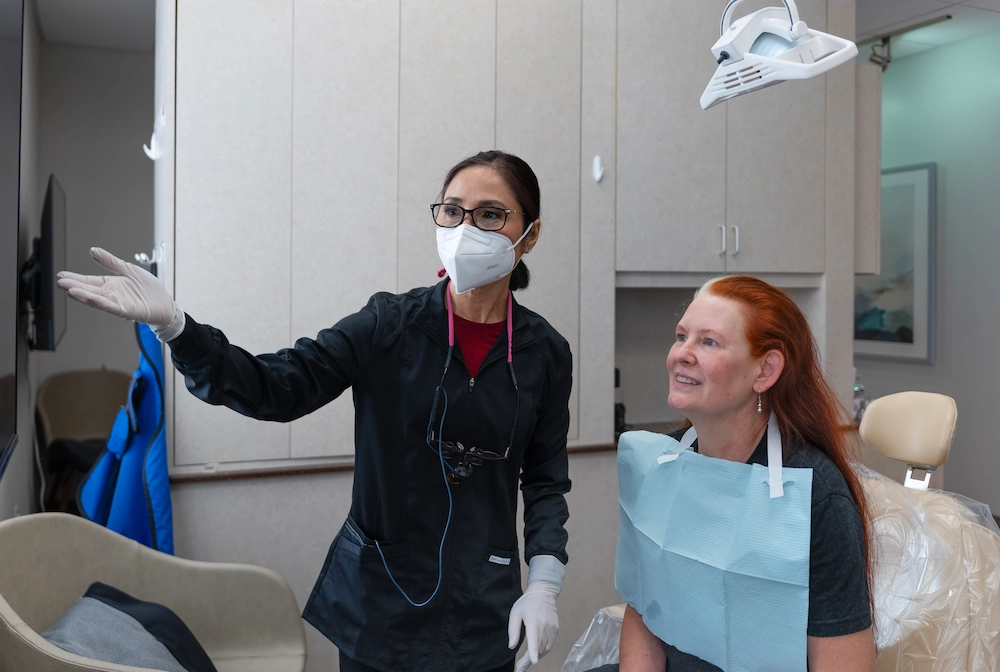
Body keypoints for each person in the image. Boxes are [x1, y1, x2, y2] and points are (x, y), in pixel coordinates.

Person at [57, 150, 573, 672]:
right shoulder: (389, 325)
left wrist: (545, 585)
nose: (466, 227)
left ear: (528, 236)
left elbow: (546, 480)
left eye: (489, 214)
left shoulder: (546, 354)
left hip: (484, 609)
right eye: (452, 210)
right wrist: (177, 327)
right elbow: (279, 387)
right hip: (381, 603)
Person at [610, 275, 875, 672]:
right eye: (681, 336)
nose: (682, 353)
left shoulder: (812, 497)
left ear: (765, 371)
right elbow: (644, 611)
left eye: (709, 341)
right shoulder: (658, 467)